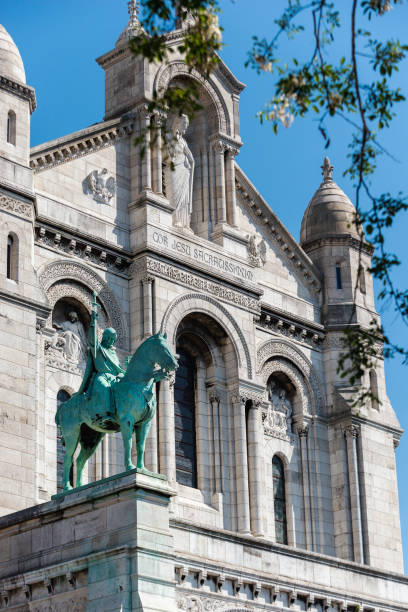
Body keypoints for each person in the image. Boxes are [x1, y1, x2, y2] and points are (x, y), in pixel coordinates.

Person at [74, 308, 125, 407]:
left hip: (115, 378)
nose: (110, 341)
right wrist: (93, 321)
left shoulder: (113, 353)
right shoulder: (98, 348)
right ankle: (105, 414)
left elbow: (119, 368)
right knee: (105, 388)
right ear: (105, 337)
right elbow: (93, 339)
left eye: (112, 339)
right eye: (109, 338)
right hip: (102, 377)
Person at [167, 114, 195, 229]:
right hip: (173, 169)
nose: (186, 127)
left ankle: (184, 223)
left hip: (184, 171)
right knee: (174, 194)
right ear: (177, 123)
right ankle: (175, 219)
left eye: (187, 125)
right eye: (184, 124)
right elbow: (165, 153)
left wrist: (191, 163)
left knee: (184, 198)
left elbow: (191, 157)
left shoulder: (183, 142)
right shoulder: (169, 137)